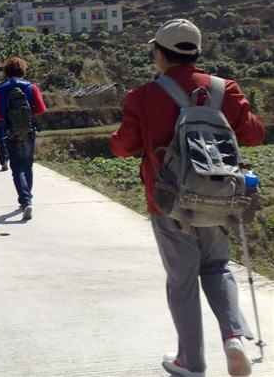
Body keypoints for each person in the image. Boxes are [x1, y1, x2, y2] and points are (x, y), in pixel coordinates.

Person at [110, 19, 265, 377]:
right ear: (196, 52)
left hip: (168, 201)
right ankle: (233, 338)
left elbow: (123, 146)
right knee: (217, 267)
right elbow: (254, 135)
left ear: (159, 54)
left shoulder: (142, 95)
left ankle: (191, 362)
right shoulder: (225, 88)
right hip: (218, 197)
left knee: (182, 280)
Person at [0, 57, 46, 220]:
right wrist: (27, 114)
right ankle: (27, 200)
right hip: (28, 131)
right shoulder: (31, 87)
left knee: (17, 169)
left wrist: (8, 117)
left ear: (6, 72)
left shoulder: (0, 90)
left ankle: (25, 201)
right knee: (28, 166)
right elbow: (41, 109)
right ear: (23, 70)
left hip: (10, 133)